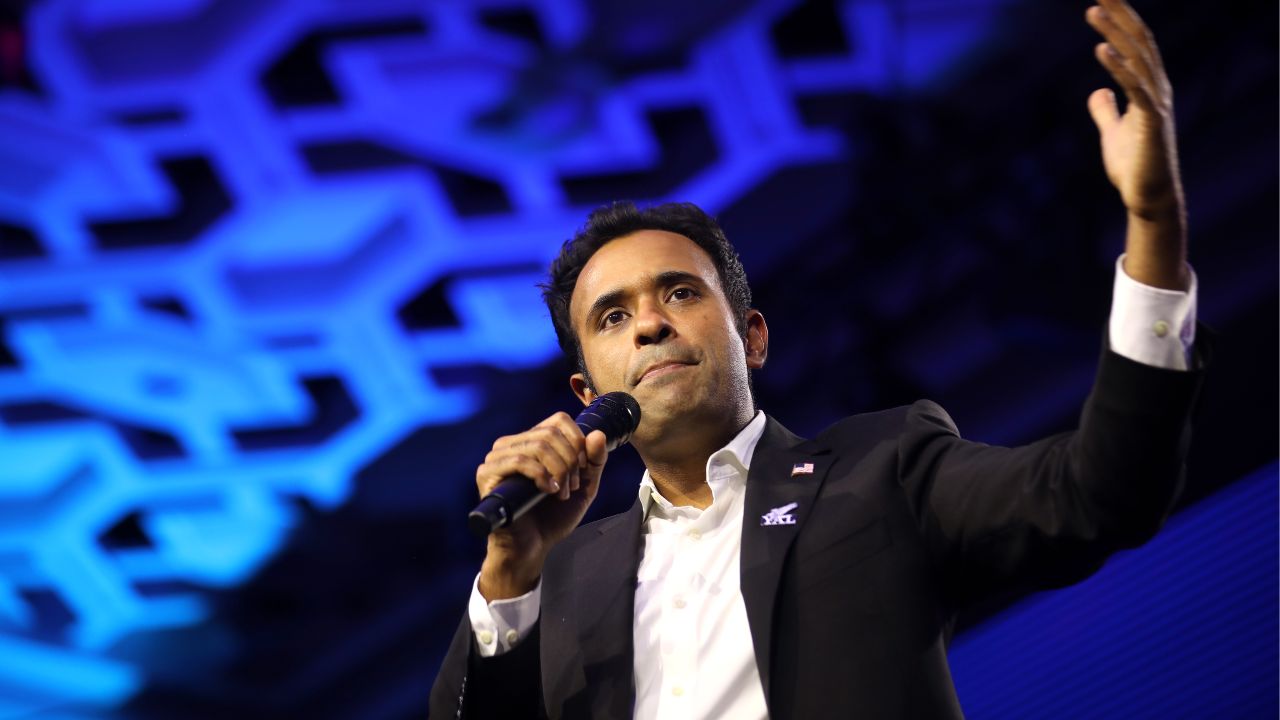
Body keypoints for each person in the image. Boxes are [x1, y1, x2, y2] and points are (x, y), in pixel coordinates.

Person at [430, 1, 1208, 717]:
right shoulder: (562, 578)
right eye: (613, 317)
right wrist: (510, 570)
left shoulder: (882, 470)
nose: (651, 327)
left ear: (753, 338)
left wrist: (1153, 221)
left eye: (680, 294)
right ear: (585, 389)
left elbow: (1100, 494)